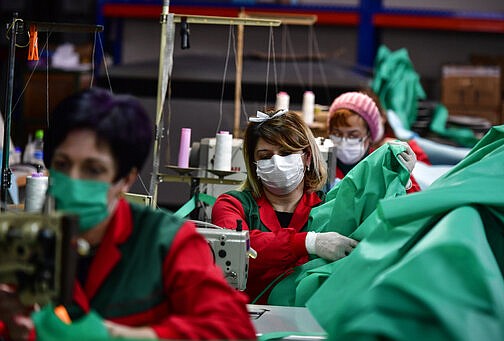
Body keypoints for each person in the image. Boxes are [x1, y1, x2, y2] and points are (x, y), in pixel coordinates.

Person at [0, 88, 256, 340]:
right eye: (62, 164)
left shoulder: (165, 242)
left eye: (93, 169)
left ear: (126, 179)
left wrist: (117, 336)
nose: (73, 180)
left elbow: (235, 331)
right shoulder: (24, 240)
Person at [211, 109, 359, 304]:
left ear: (307, 158)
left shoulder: (328, 207)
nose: (277, 162)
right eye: (265, 156)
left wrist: (405, 182)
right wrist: (309, 243)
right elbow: (235, 252)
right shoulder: (231, 205)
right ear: (254, 164)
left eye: (286, 153)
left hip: (308, 323)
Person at [328, 90, 430, 193]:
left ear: (370, 136)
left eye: (353, 135)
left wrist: (404, 181)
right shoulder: (324, 166)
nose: (344, 141)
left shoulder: (386, 163)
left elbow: (415, 202)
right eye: (337, 134)